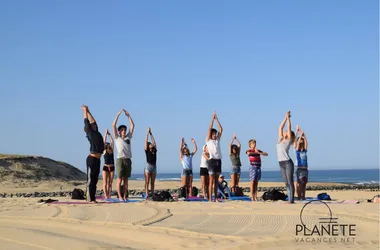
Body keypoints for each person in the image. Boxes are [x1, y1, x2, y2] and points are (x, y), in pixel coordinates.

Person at [82, 105, 105, 203]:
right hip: (91, 158)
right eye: (93, 125)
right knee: (90, 180)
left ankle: (93, 198)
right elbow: (86, 121)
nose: (94, 125)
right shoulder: (90, 132)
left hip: (98, 159)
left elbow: (93, 121)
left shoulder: (97, 132)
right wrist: (85, 111)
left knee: (95, 180)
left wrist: (89, 111)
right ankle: (89, 198)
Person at [112, 108, 135, 201]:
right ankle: (120, 196)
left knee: (126, 180)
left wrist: (128, 116)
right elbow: (113, 125)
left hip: (128, 160)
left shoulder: (128, 137)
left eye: (124, 129)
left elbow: (132, 126)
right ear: (119, 131)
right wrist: (117, 115)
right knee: (119, 179)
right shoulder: (117, 138)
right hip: (120, 160)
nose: (124, 131)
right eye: (122, 130)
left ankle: (125, 196)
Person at [276, 111, 296, 203]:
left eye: (286, 132)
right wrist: (285, 117)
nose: (284, 132)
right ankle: (289, 198)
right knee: (286, 183)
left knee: (290, 181)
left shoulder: (288, 140)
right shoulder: (280, 139)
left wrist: (288, 118)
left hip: (288, 162)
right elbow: (280, 127)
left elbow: (288, 127)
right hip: (281, 163)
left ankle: (291, 200)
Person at [206, 111, 223, 202]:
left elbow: (221, 129)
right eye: (213, 134)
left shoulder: (217, 140)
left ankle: (216, 197)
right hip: (212, 161)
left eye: (215, 134)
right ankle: (209, 198)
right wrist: (212, 119)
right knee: (211, 181)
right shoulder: (208, 140)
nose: (215, 135)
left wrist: (217, 119)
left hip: (218, 161)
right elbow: (209, 129)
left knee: (216, 181)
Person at [295, 127, 308, 200]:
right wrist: (300, 136)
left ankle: (303, 196)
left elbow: (306, 143)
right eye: (301, 143)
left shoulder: (305, 151)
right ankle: (299, 196)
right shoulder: (297, 151)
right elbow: (297, 145)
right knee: (300, 184)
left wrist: (304, 135)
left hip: (305, 169)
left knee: (304, 184)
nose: (302, 143)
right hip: (300, 169)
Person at [144, 127, 157, 199]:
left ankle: (152, 194)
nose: (151, 144)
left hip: (154, 166)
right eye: (150, 144)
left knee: (152, 182)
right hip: (148, 166)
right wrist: (147, 133)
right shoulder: (147, 151)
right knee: (147, 182)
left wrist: (151, 134)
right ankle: (147, 195)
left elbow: (154, 142)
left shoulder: (154, 151)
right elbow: (145, 141)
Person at [102, 129, 115, 199]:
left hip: (112, 167)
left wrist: (110, 135)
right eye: (107, 144)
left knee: (110, 183)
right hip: (105, 167)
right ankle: (105, 194)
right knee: (105, 183)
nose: (108, 145)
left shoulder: (111, 151)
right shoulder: (104, 151)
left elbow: (112, 142)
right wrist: (105, 134)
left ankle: (109, 194)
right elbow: (103, 142)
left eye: (108, 144)